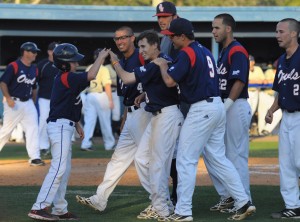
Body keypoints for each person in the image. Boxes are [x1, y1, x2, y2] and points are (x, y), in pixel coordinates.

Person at [154, 18, 255, 221]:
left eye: (172, 36)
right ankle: (243, 201)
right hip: (215, 105)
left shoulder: (187, 52)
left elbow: (170, 80)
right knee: (218, 157)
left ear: (183, 36)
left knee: (185, 160)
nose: (171, 40)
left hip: (201, 108)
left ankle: (183, 211)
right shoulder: (204, 50)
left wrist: (163, 65)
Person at [28, 43, 111, 221]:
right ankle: (39, 207)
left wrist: (77, 124)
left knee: (63, 171)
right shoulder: (67, 77)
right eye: (73, 61)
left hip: (65, 125)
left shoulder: (66, 79)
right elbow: (91, 74)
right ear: (65, 63)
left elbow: (67, 103)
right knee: (58, 168)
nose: (76, 63)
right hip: (59, 127)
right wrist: (100, 58)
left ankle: (59, 209)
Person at [76, 26, 152, 215]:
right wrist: (125, 117)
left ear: (132, 38)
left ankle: (161, 201)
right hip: (132, 113)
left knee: (144, 160)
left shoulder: (140, 56)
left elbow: (154, 78)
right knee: (118, 160)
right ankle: (100, 199)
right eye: (116, 39)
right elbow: (127, 95)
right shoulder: (123, 60)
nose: (119, 42)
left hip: (144, 112)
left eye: (123, 38)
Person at [109, 30, 184, 220]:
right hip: (157, 114)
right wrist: (144, 95)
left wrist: (115, 61)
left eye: (143, 46)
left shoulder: (157, 62)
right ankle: (161, 202)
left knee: (158, 164)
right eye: (140, 46)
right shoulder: (158, 61)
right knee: (142, 159)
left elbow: (126, 78)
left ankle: (163, 209)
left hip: (167, 115)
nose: (140, 50)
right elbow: (159, 84)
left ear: (155, 46)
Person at [205, 13, 253, 213]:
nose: (213, 31)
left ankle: (244, 200)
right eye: (213, 27)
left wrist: (226, 105)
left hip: (235, 105)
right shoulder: (224, 51)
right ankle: (229, 197)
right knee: (216, 153)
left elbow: (239, 80)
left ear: (228, 29)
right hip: (226, 105)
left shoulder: (237, 50)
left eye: (217, 27)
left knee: (236, 155)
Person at [265, 18, 300, 219]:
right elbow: (280, 91)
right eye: (276, 31)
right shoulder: (282, 61)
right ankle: (293, 206)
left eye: (281, 31)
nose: (277, 35)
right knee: (286, 164)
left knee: (298, 161)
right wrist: (271, 109)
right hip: (286, 117)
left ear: (294, 33)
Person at [0, 42, 45, 166]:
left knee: (33, 129)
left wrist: (33, 101)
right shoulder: (14, 66)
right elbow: (3, 83)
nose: (36, 54)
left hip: (28, 102)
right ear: (26, 52)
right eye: (33, 52)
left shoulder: (34, 68)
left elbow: (34, 86)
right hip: (13, 102)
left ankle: (35, 157)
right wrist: (8, 98)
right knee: (6, 131)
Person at [153, 0, 180, 206]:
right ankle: (176, 191)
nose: (162, 21)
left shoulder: (180, 37)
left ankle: (179, 194)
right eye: (159, 17)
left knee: (180, 152)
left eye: (165, 17)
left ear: (174, 16)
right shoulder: (164, 39)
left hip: (182, 101)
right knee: (173, 151)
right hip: (170, 100)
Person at [81, 48, 115, 151]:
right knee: (105, 122)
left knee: (89, 121)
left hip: (89, 95)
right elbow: (107, 85)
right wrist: (110, 100)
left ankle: (85, 144)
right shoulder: (103, 69)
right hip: (101, 96)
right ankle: (109, 145)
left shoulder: (89, 67)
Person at [37, 41, 59, 156]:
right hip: (44, 98)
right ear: (49, 51)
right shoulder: (42, 65)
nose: (55, 52)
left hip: (58, 99)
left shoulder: (61, 65)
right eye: (53, 50)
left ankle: (56, 147)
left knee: (57, 123)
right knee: (44, 121)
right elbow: (35, 81)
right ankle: (43, 146)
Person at [257, 61, 282, 136]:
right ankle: (261, 132)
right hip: (265, 94)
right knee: (262, 114)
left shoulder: (281, 72)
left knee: (278, 113)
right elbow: (266, 82)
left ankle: (266, 130)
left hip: (273, 96)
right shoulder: (269, 71)